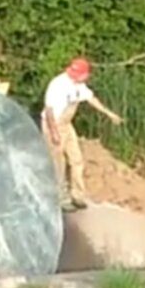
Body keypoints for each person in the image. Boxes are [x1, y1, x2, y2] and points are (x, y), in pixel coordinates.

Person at [41, 57, 124, 212]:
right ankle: (61, 199)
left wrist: (109, 114)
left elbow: (90, 98)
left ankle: (77, 195)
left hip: (67, 125)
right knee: (58, 164)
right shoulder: (58, 85)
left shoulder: (79, 86)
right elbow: (49, 110)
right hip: (53, 125)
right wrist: (54, 133)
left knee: (76, 159)